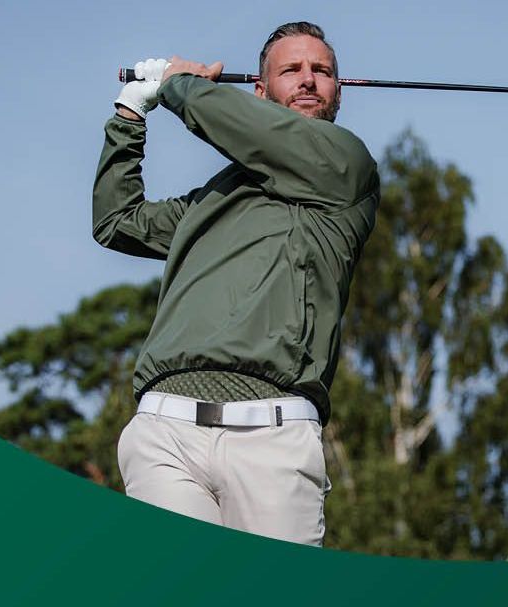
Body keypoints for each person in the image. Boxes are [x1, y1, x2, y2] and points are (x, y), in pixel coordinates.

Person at [93, 22, 379, 546]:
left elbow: (249, 130)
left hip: (274, 439)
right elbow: (118, 220)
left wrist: (179, 86)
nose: (308, 79)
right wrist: (130, 113)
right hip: (166, 432)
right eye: (291, 70)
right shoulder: (213, 199)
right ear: (260, 90)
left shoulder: (347, 169)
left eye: (322, 71)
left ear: (339, 91)